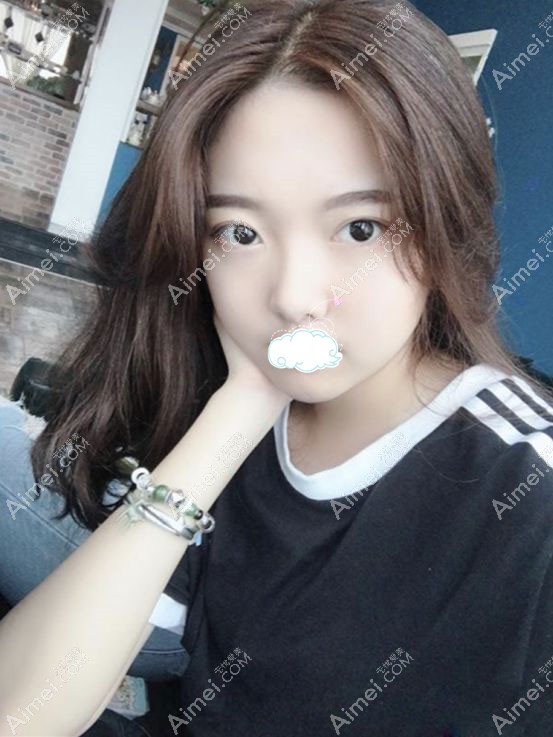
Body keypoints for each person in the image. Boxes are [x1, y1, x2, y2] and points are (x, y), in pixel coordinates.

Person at [1, 0, 553, 735]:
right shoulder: (227, 390)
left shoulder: (527, 496)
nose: (293, 297)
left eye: (361, 227)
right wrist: (244, 404)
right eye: (239, 233)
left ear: (445, 222)